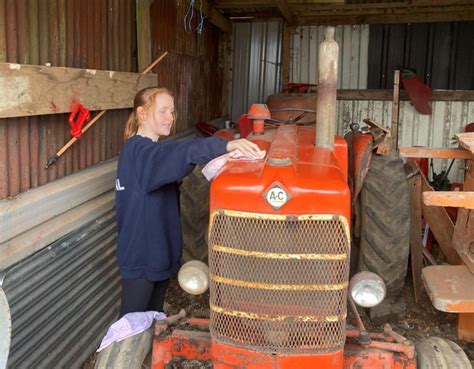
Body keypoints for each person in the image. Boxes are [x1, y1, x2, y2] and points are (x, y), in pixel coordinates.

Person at [115, 87, 262, 317]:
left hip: (156, 255)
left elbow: (169, 154)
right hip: (142, 258)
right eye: (163, 111)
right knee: (131, 327)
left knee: (152, 319)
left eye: (172, 112)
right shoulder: (139, 152)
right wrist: (224, 146)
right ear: (142, 114)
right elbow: (177, 153)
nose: (170, 118)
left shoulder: (148, 150)